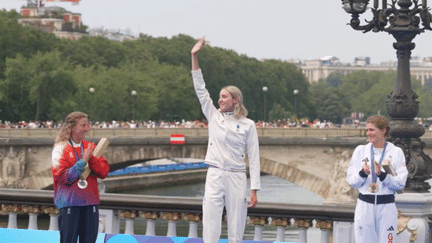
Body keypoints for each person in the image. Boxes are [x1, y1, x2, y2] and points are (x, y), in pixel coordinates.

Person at [191, 37, 260, 243]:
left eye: (224, 97)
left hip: (237, 176)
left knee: (237, 224)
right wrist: (194, 57)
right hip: (215, 173)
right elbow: (200, 90)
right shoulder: (213, 116)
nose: (220, 100)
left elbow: (254, 158)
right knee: (210, 221)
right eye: (219, 97)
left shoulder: (248, 124)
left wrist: (254, 189)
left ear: (235, 100)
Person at [346, 115, 408, 243]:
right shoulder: (360, 151)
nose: (368, 133)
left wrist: (382, 175)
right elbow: (351, 181)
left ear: (383, 131)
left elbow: (400, 184)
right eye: (367, 130)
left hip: (386, 207)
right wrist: (363, 173)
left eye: (372, 130)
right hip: (364, 206)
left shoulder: (396, 152)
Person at [51, 111, 109, 243]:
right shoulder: (60, 149)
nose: (87, 128)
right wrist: (83, 162)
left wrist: (92, 159)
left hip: (90, 204)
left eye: (87, 125)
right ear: (72, 127)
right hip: (69, 205)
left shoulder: (91, 147)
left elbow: (104, 172)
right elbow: (63, 178)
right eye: (83, 125)